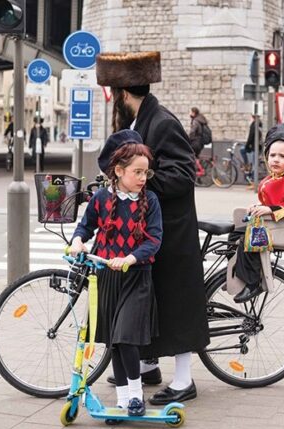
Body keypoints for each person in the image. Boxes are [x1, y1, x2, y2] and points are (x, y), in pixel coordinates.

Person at [96, 51, 209, 405]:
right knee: (148, 299)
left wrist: (139, 181)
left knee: (175, 305)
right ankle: (146, 368)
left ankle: (184, 380)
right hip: (150, 230)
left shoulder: (161, 121)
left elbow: (184, 174)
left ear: (124, 95)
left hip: (172, 233)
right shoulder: (142, 121)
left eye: (116, 97)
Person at [69, 129, 162, 420]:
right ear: (119, 171)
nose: (143, 178)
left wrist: (130, 258)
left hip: (136, 278)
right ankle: (123, 402)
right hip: (107, 278)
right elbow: (85, 227)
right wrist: (77, 242)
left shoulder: (151, 202)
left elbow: (154, 239)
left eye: (146, 173)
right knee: (113, 342)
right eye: (137, 172)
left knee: (126, 338)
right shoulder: (100, 199)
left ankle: (136, 396)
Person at [231, 122, 284, 303]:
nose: (275, 159)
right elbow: (268, 199)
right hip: (265, 221)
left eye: (282, 156)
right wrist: (257, 205)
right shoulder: (274, 178)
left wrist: (269, 210)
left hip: (274, 226)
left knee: (246, 242)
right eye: (272, 155)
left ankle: (252, 283)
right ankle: (236, 270)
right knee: (233, 232)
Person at [242, 115, 263, 187]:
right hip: (258, 146)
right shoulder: (259, 124)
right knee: (254, 163)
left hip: (254, 147)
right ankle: (248, 170)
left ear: (253, 117)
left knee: (254, 164)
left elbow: (250, 136)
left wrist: (247, 146)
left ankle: (253, 182)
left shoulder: (254, 124)